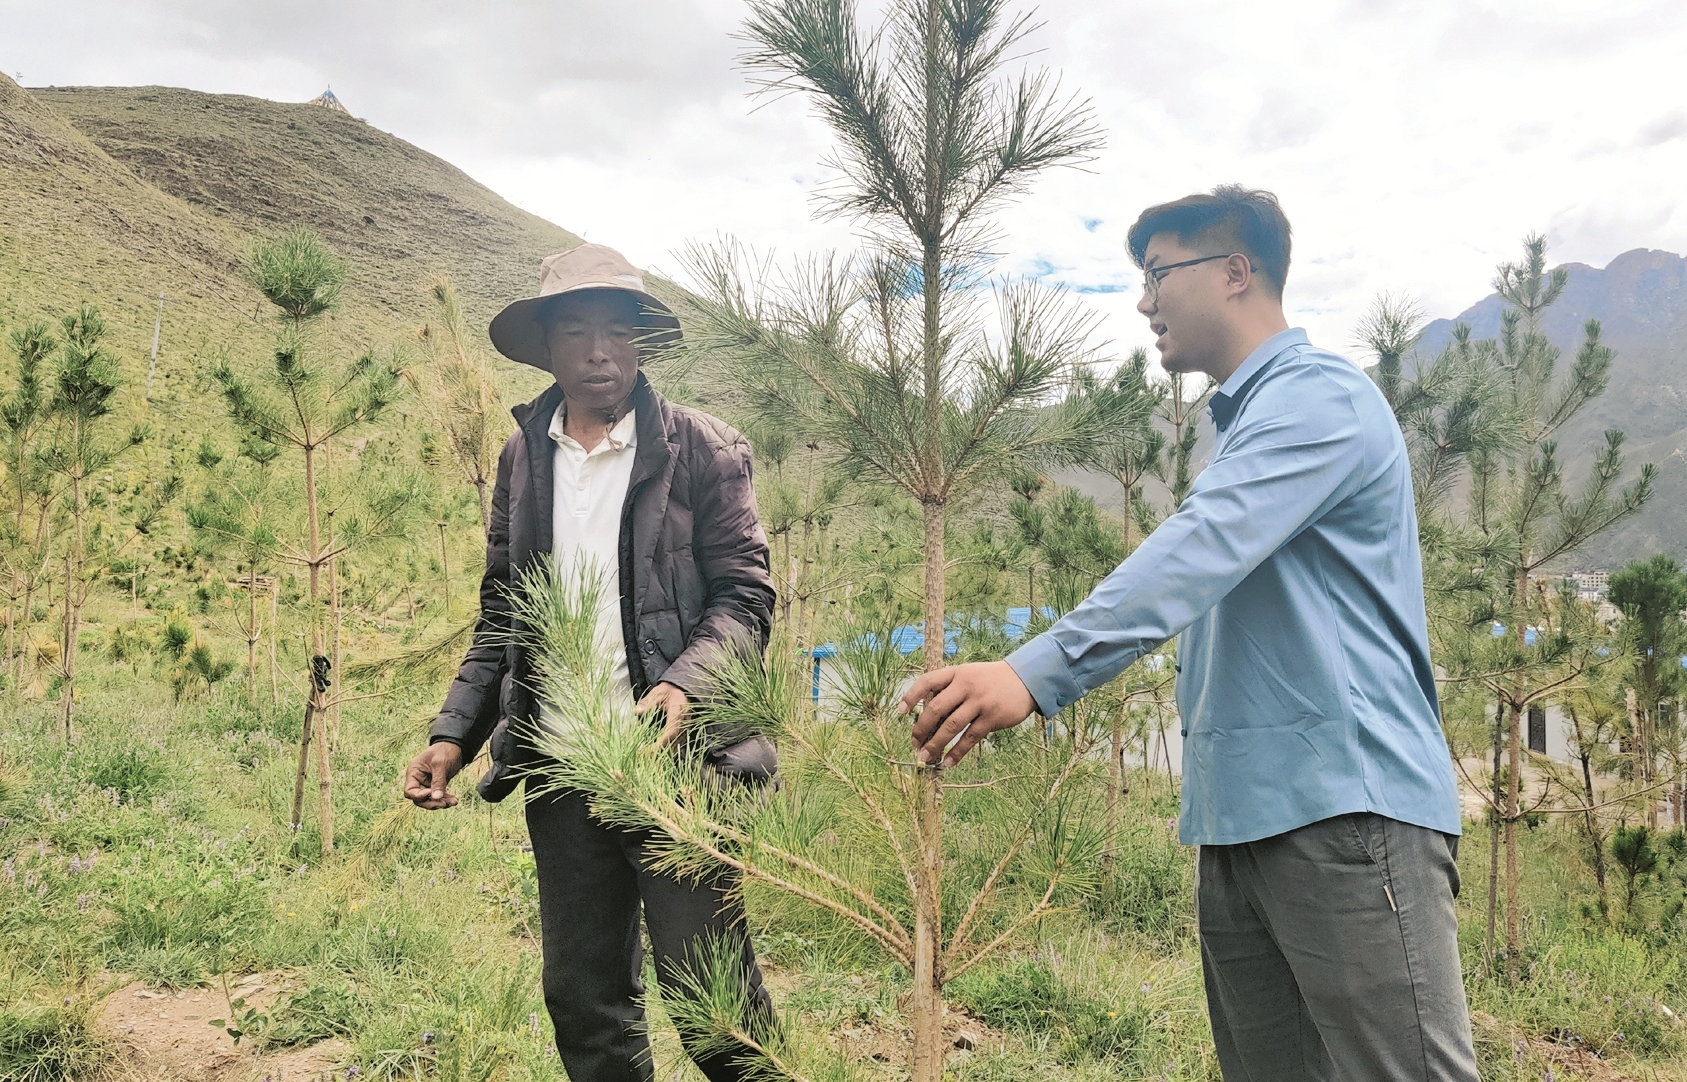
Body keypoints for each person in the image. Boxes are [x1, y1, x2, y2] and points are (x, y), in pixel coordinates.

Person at [899, 186, 1479, 1082]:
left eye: (1159, 273)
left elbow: (1198, 550)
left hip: (1346, 811)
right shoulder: (1238, 429)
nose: (1145, 301)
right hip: (1242, 821)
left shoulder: (1320, 398)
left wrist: (1036, 671)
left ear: (1237, 271)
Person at [401, 243, 781, 1082]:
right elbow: (506, 610)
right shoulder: (523, 458)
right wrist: (453, 733)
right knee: (584, 998)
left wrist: (685, 682)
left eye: (617, 330)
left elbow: (746, 596)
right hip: (565, 768)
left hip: (677, 767)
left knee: (714, 1005)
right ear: (547, 345)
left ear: (642, 340)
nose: (599, 351)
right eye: (576, 331)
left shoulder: (704, 448)